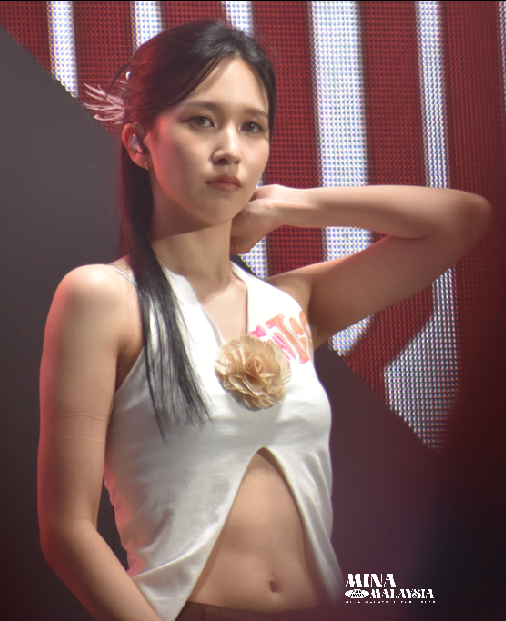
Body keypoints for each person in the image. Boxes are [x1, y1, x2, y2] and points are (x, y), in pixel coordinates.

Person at [37, 20, 491, 621]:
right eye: (202, 120)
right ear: (139, 143)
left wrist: (290, 204)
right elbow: (66, 530)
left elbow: (463, 219)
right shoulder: (104, 297)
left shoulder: (292, 302)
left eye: (252, 126)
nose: (230, 147)